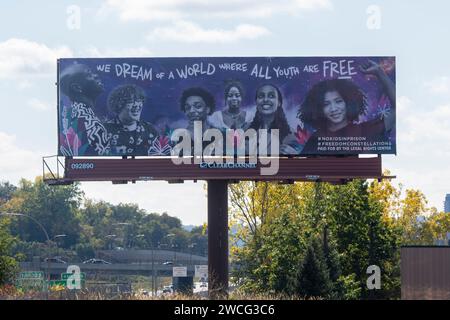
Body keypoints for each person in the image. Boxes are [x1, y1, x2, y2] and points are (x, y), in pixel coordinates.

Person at [299, 60, 395, 155]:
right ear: (319, 109)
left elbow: (395, 108)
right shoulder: (316, 139)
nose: (333, 108)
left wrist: (379, 72)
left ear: (349, 103)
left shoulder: (364, 130)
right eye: (326, 104)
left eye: (338, 101)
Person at [59, 63, 110, 156]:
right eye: (89, 74)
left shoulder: (75, 115)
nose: (96, 76)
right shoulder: (91, 124)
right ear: (77, 87)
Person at [105, 84, 160, 156]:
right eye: (131, 101)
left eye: (139, 100)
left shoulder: (150, 130)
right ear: (119, 104)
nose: (137, 105)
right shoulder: (104, 130)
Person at [248, 84, 299, 155]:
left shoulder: (290, 134)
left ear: (279, 103)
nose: (265, 99)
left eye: (271, 96)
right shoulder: (245, 129)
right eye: (261, 96)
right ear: (256, 102)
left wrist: (295, 156)